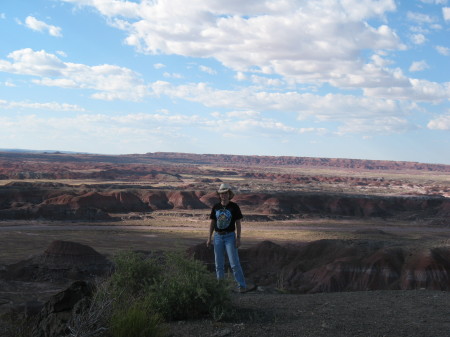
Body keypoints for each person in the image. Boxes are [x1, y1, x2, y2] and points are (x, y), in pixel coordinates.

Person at [206, 183, 248, 292]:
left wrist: (238, 238)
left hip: (230, 236)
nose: (223, 195)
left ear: (229, 194)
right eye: (221, 194)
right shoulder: (216, 207)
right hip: (218, 237)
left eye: (225, 193)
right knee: (218, 264)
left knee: (234, 263)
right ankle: (221, 287)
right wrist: (209, 237)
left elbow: (238, 223)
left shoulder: (234, 207)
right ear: (219, 195)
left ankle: (242, 285)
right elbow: (212, 223)